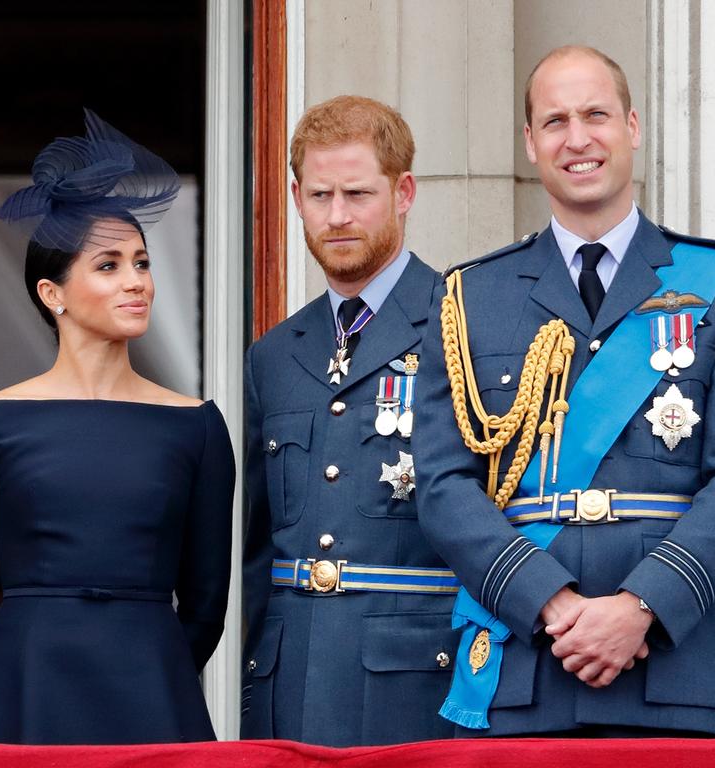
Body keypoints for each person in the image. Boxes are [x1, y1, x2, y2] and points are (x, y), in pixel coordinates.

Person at [412, 45, 715, 737]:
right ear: (530, 142)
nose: (577, 138)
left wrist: (641, 606)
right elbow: (442, 485)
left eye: (596, 115)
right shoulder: (469, 296)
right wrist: (551, 605)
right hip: (524, 663)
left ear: (633, 126)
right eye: (554, 121)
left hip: (674, 667)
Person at [0, 109, 235, 744]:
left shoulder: (198, 427)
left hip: (153, 696)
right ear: (54, 294)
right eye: (109, 266)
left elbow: (207, 604)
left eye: (142, 262)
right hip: (20, 695)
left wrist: (154, 674)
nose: (137, 283)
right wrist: (1, 687)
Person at [241, 95, 457, 746]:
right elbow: (258, 554)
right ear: (295, 196)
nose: (336, 217)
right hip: (290, 686)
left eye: (357, 194)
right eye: (319, 194)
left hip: (415, 688)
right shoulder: (274, 355)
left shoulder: (465, 326)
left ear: (403, 191)